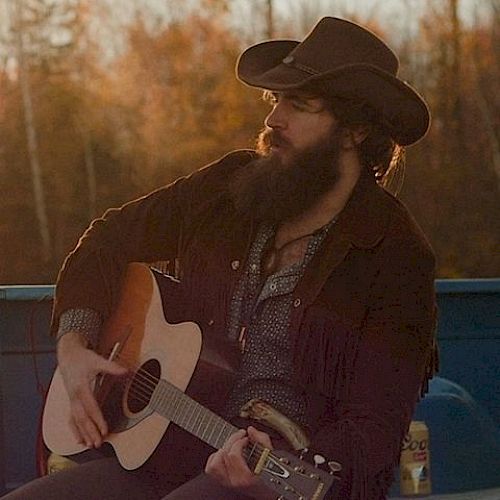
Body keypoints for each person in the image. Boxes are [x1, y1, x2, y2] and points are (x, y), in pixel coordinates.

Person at [4, 16, 438, 500]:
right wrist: (74, 349)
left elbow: (373, 427)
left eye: (299, 104)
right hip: (160, 453)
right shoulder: (228, 187)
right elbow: (107, 238)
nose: (274, 119)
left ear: (354, 129)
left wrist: (279, 473)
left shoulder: (395, 255)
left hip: (272, 479)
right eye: (276, 101)